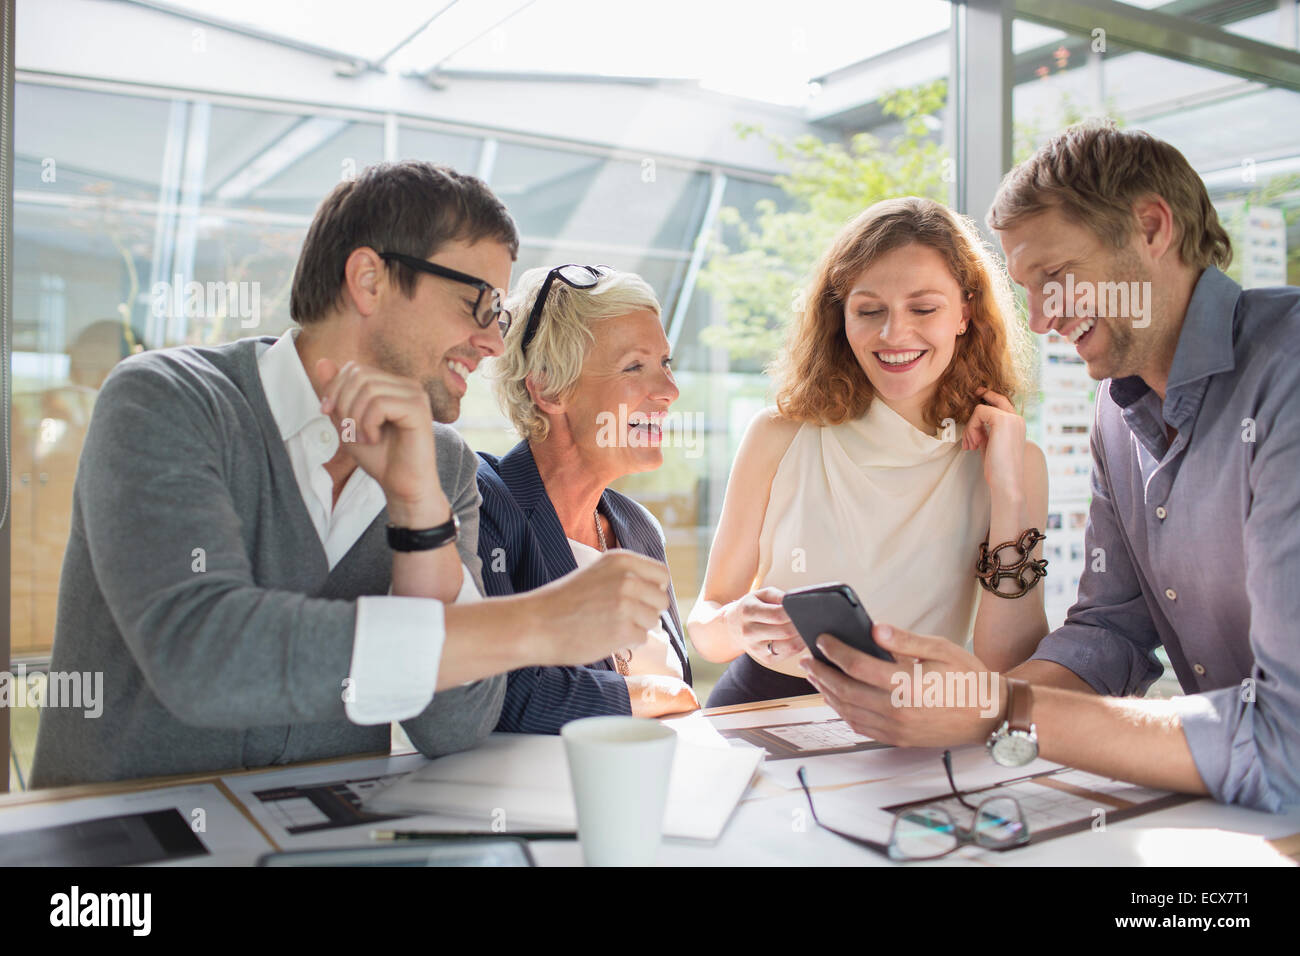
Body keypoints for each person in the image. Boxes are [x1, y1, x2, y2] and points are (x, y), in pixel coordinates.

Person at [30, 162, 670, 787]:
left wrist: (419, 517)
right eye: (477, 304)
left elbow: (453, 726)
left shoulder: (443, 465)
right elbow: (206, 656)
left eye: (499, 316)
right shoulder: (169, 401)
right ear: (368, 279)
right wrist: (539, 622)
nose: (495, 343)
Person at [802, 123, 1300, 812]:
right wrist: (951, 703)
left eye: (1057, 278)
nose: (1039, 321)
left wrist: (1000, 708)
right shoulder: (1115, 413)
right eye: (1026, 290)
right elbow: (1110, 634)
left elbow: (1287, 745)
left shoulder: (1289, 376)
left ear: (1152, 227)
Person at [689, 197, 1048, 707]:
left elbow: (1007, 662)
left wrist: (1008, 492)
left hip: (918, 713)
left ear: (965, 313)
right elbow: (707, 624)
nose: (894, 333)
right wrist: (734, 623)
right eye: (869, 310)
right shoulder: (779, 434)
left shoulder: (1015, 461)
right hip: (765, 704)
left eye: (923, 308)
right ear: (841, 316)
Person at [477, 264, 697, 732]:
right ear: (550, 387)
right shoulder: (485, 504)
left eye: (665, 363)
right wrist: (644, 693)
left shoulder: (638, 527)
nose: (669, 392)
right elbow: (491, 692)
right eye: (635, 366)